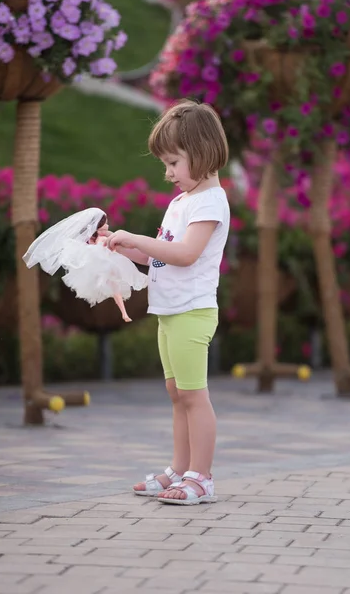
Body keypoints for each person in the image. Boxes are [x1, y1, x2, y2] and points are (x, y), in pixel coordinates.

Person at [105, 99, 230, 505]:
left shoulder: (210, 202)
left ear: (203, 152)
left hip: (193, 311)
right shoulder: (181, 202)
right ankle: (180, 469)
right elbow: (161, 254)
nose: (168, 172)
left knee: (195, 395)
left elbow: (187, 253)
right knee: (178, 394)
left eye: (174, 162)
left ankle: (202, 478)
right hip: (170, 312)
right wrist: (122, 247)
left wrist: (138, 238)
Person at [23, 207, 147, 322]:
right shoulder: (94, 241)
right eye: (104, 224)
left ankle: (124, 312)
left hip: (109, 262)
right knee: (112, 285)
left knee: (116, 287)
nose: (107, 226)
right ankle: (123, 312)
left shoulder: (104, 237)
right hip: (103, 263)